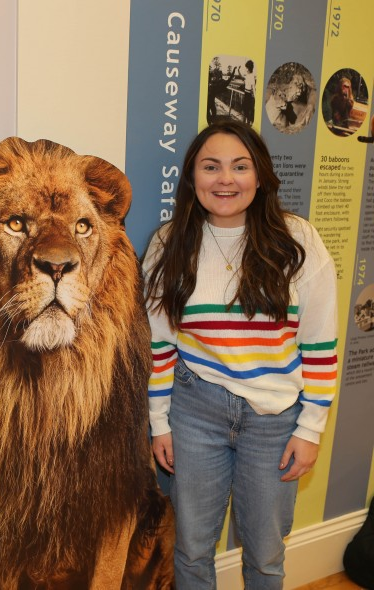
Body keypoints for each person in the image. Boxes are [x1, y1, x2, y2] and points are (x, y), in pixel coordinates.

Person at [143, 118, 337, 589]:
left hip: (275, 419)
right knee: (191, 550)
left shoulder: (298, 243)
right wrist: (161, 422)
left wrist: (310, 428)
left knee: (267, 555)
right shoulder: (170, 245)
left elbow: (320, 347)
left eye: (239, 166)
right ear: (192, 178)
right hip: (195, 411)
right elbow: (160, 345)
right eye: (211, 167)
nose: (225, 179)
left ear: (260, 175)